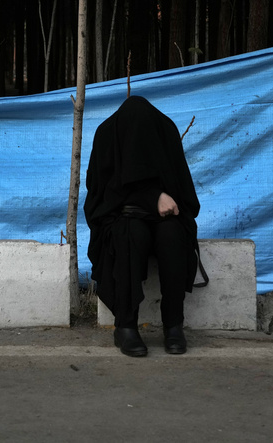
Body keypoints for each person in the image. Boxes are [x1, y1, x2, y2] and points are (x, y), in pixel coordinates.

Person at [83, 95, 201, 357]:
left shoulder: (164, 132)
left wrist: (164, 204)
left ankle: (173, 325)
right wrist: (150, 198)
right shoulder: (107, 135)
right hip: (121, 218)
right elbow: (99, 198)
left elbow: (184, 197)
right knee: (128, 234)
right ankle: (125, 326)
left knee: (172, 234)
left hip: (164, 221)